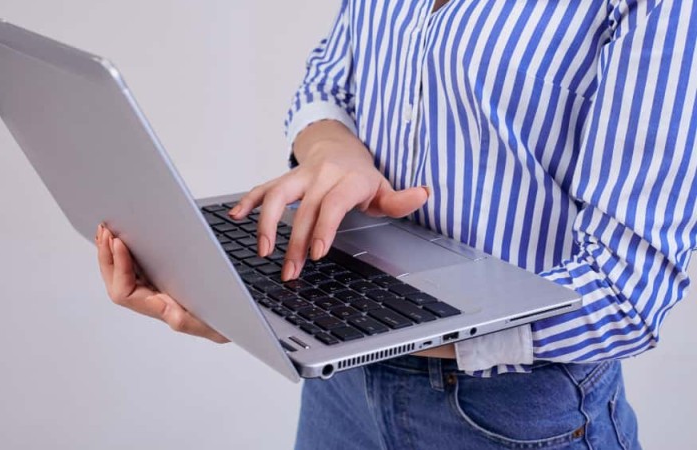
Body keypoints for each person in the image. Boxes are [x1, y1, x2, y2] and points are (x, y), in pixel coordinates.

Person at [95, 0, 696, 448]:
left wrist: (305, 321)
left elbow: (629, 293)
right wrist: (334, 150)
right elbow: (327, 81)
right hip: (341, 395)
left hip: (515, 414)